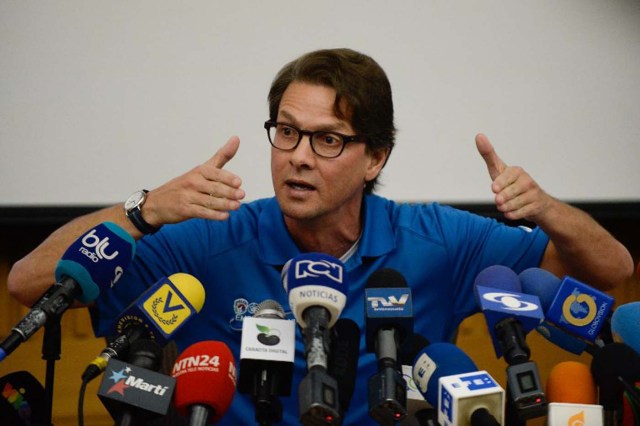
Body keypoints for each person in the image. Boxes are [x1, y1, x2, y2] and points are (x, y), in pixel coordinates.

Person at [7, 48, 633, 424]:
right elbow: (27, 282)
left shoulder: (439, 238)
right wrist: (141, 211)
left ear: (375, 158)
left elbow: (609, 270)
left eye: (328, 139)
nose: (298, 157)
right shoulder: (206, 239)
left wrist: (546, 208)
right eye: (286, 131)